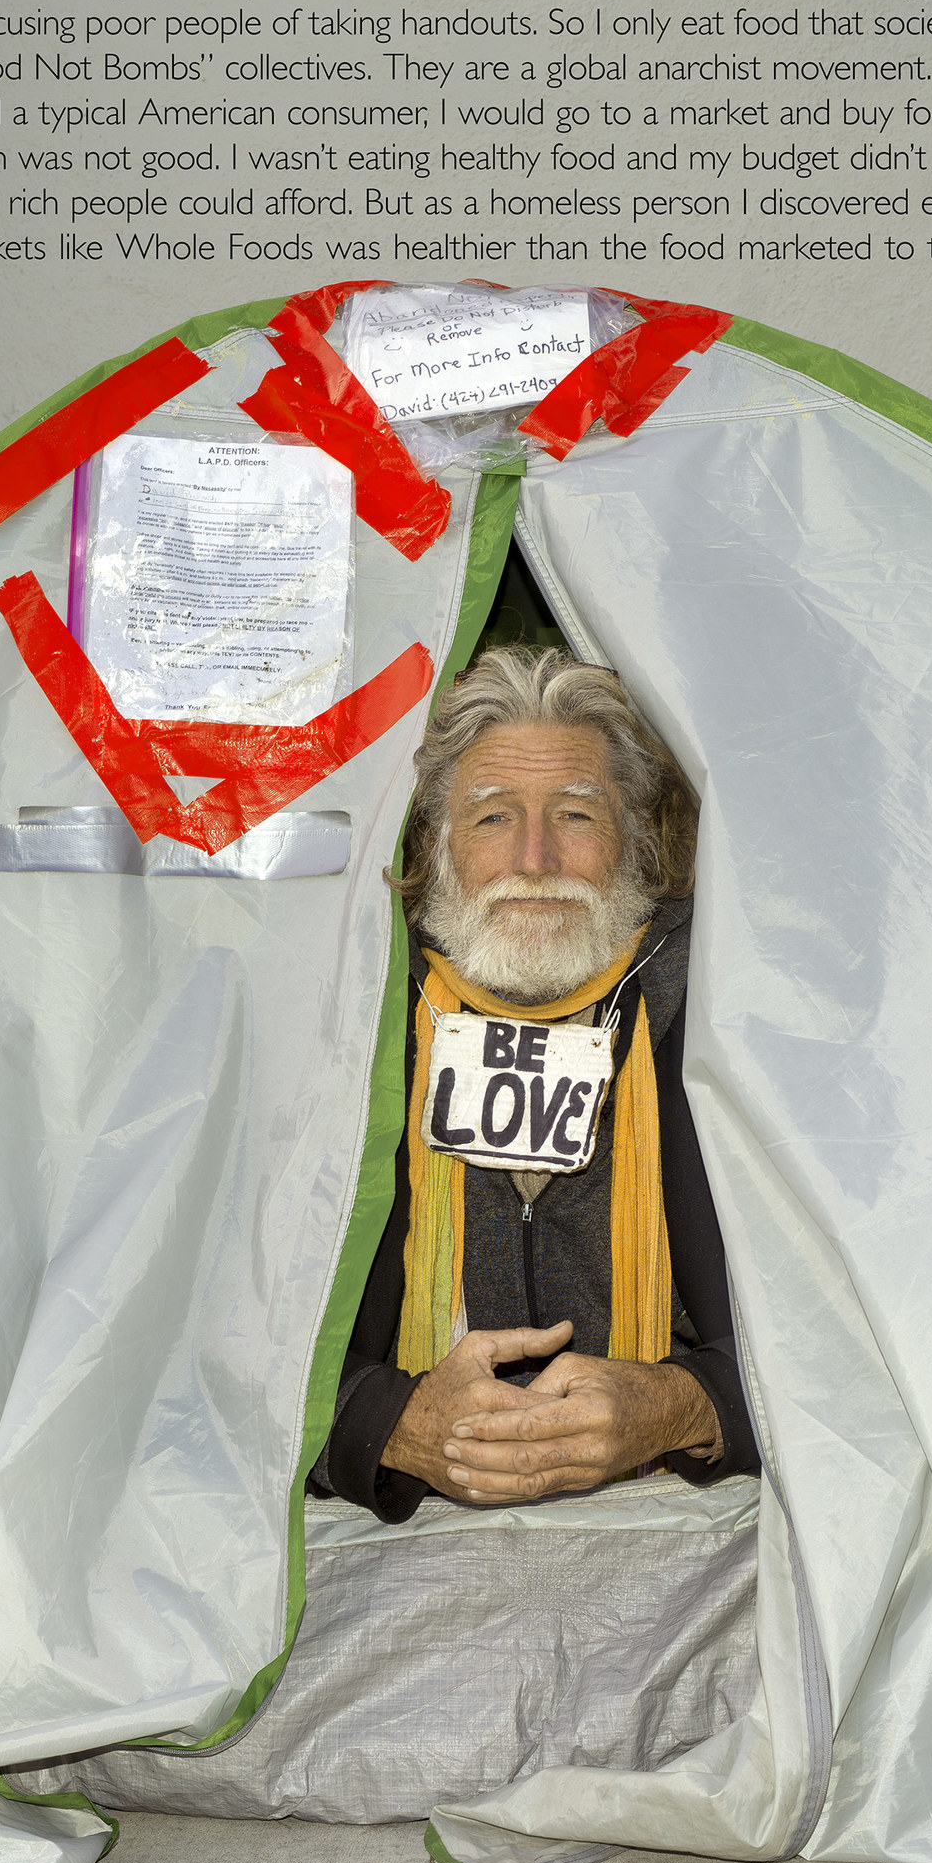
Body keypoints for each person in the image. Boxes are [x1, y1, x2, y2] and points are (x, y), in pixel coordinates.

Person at [309, 634, 764, 1519]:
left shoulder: (733, 1005)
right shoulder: (338, 1016)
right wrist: (388, 1425)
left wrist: (685, 1405)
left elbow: (866, 1345)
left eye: (577, 814)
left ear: (635, 837)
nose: (534, 860)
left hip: (686, 1554)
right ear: (433, 845)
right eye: (490, 815)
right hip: (386, 1562)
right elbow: (205, 1344)